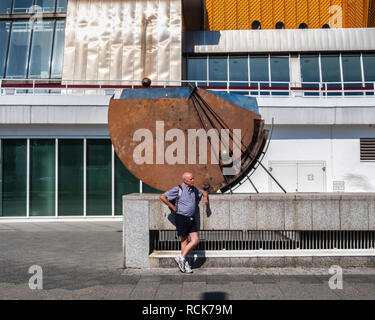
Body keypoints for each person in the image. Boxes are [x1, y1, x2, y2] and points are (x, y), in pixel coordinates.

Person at [160, 172, 208, 273]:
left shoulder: (194, 189)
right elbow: (163, 197)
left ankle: (181, 258)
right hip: (181, 217)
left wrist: (205, 198)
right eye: (191, 179)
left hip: (191, 218)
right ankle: (185, 265)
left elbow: (204, 192)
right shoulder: (178, 189)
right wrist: (172, 206)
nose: (193, 180)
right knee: (184, 241)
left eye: (193, 178)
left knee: (195, 240)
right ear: (185, 180)